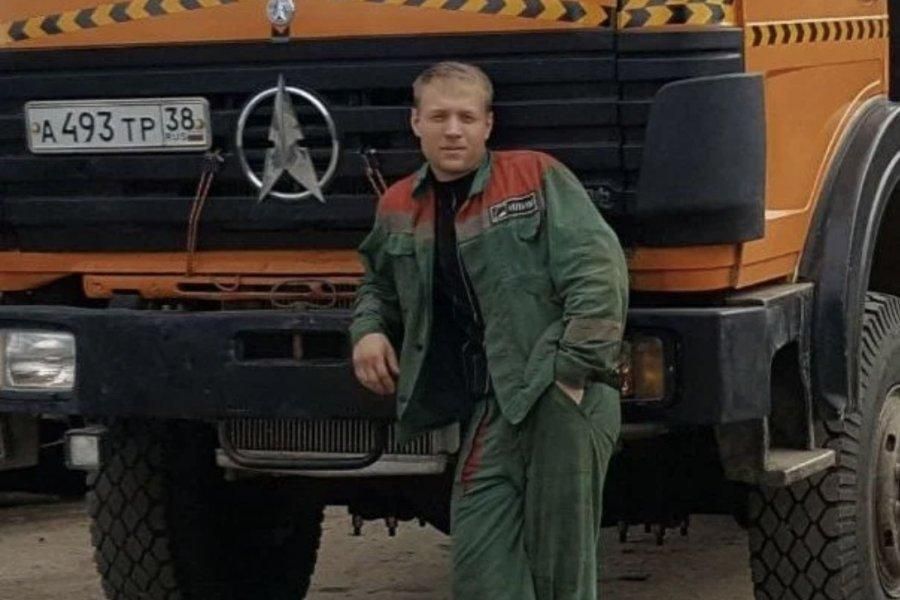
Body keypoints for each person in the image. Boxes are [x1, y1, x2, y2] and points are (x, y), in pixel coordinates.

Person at [350, 61, 628, 600]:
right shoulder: (399, 205)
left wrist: (571, 374)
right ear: (416, 123)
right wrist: (369, 331)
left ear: (488, 124)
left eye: (466, 117)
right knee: (480, 569)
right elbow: (377, 285)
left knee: (560, 576)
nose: (453, 130)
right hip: (490, 406)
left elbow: (599, 274)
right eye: (439, 117)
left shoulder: (535, 176)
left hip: (558, 396)